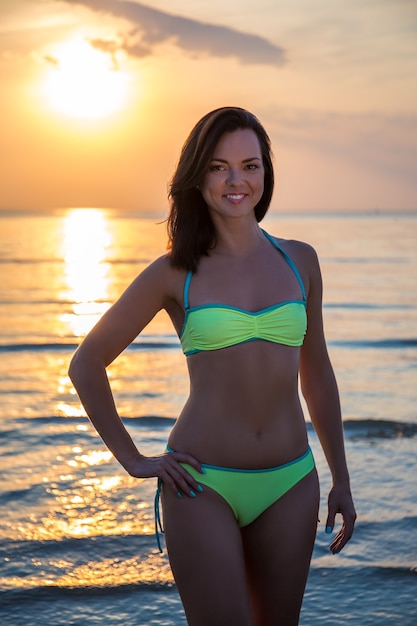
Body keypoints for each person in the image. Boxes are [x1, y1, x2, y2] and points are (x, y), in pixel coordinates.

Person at [68, 106, 356, 625]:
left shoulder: (301, 260)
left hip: (291, 481)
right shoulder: (174, 272)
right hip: (202, 485)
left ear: (266, 174)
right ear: (198, 175)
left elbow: (317, 375)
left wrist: (341, 478)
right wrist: (133, 460)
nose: (236, 180)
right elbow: (86, 363)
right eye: (219, 166)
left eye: (250, 165)